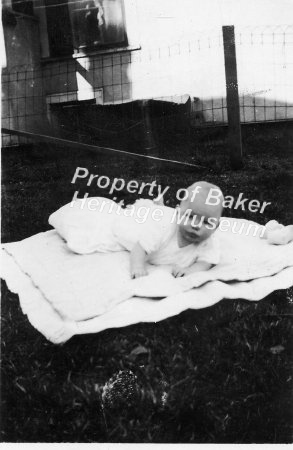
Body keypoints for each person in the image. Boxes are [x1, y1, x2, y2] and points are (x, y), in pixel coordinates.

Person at [49, 181, 223, 279]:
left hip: (161, 219)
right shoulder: (163, 229)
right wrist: (137, 266)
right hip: (140, 228)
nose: (196, 225)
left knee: (156, 214)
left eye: (207, 222)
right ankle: (153, 209)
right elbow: (139, 247)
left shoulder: (207, 241)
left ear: (216, 227)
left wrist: (190, 271)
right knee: (117, 226)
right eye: (190, 216)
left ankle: (157, 208)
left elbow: (207, 261)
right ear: (179, 214)